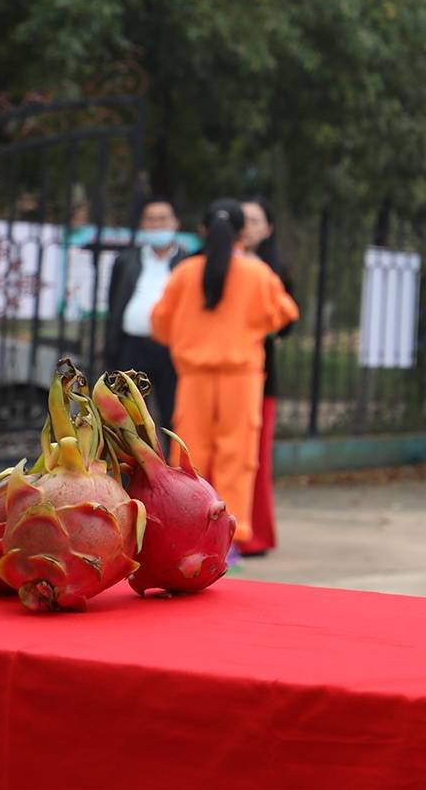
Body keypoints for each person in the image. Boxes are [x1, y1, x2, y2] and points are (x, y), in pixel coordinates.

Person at [150, 200, 299, 564]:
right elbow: (284, 313)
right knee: (237, 456)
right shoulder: (257, 273)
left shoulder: (185, 273)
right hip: (241, 378)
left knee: (190, 457)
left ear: (202, 231)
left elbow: (160, 324)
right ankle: (231, 538)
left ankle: (185, 533)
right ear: (241, 233)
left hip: (194, 377)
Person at [239, 197, 296, 557]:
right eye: (243, 220)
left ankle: (254, 535)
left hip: (259, 373)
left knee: (254, 457)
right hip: (214, 376)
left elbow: (288, 321)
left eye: (256, 220)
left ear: (268, 228)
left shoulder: (272, 271)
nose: (248, 226)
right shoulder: (210, 267)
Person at [104, 196, 191, 430]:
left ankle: (173, 465)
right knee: (130, 415)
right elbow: (114, 302)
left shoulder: (188, 262)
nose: (157, 224)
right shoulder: (127, 260)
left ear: (175, 223)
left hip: (171, 347)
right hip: (133, 346)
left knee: (172, 413)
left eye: (163, 219)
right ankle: (132, 465)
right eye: (151, 219)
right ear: (143, 224)